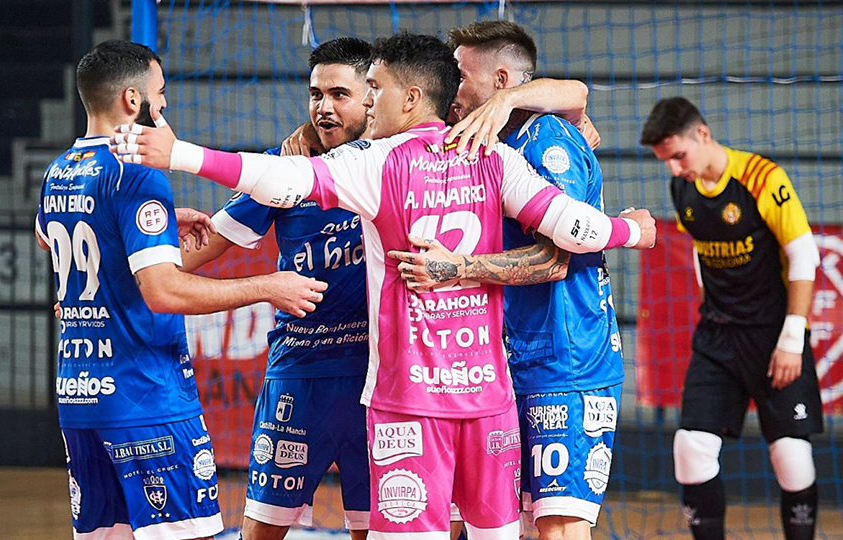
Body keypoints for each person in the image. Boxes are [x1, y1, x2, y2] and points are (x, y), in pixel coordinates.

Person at [111, 32, 656, 540]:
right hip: (482, 398)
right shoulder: (495, 158)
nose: (366, 102)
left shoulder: (376, 161)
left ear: (412, 96)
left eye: (370, 89)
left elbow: (283, 179)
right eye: (327, 93)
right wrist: (635, 229)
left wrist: (180, 155)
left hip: (406, 399)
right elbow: (576, 228)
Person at [35, 39, 326, 540]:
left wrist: (156, 228)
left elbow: (50, 240)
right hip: (147, 397)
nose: (164, 103)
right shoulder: (137, 171)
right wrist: (267, 286)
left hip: (81, 398)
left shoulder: (59, 169)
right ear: (132, 100)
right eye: (160, 92)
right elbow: (164, 293)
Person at [390, 21, 626, 540]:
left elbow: (554, 260)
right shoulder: (483, 143)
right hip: (500, 362)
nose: (451, 87)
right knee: (494, 523)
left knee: (559, 527)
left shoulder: (547, 138)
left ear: (501, 81)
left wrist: (454, 268)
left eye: (460, 74)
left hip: (564, 363)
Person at [178, 37, 375, 540]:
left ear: (371, 96)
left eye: (339, 94)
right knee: (260, 534)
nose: (324, 107)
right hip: (299, 379)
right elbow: (198, 250)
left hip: (379, 384)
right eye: (315, 95)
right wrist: (108, 282)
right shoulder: (284, 170)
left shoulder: (398, 166)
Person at [640, 96, 823, 540]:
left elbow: (803, 256)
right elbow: (704, 252)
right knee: (690, 448)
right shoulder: (682, 187)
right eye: (666, 161)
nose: (675, 169)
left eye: (679, 156)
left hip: (775, 337)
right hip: (717, 337)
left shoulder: (763, 178)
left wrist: (791, 340)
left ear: (702, 134)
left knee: (791, 457)